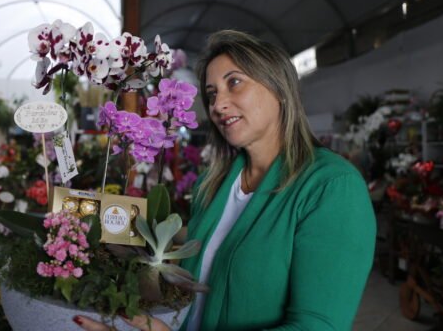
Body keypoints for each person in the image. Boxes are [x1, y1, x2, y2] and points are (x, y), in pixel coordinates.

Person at [74, 30, 376, 330]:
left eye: (234, 83)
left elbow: (319, 326)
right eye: (212, 93)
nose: (218, 105)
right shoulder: (212, 184)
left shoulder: (331, 187)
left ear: (279, 88)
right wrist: (83, 214)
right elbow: (195, 241)